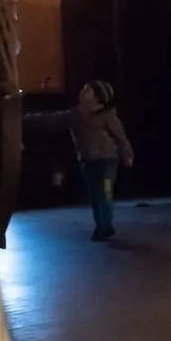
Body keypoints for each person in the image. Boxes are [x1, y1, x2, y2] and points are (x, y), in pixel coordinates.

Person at [61, 80, 133, 241]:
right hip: (88, 162)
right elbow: (55, 119)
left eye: (87, 91)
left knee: (106, 192)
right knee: (94, 196)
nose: (82, 92)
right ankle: (100, 224)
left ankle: (106, 225)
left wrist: (127, 154)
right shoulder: (76, 114)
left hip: (107, 161)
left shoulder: (107, 116)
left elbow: (120, 137)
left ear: (98, 97)